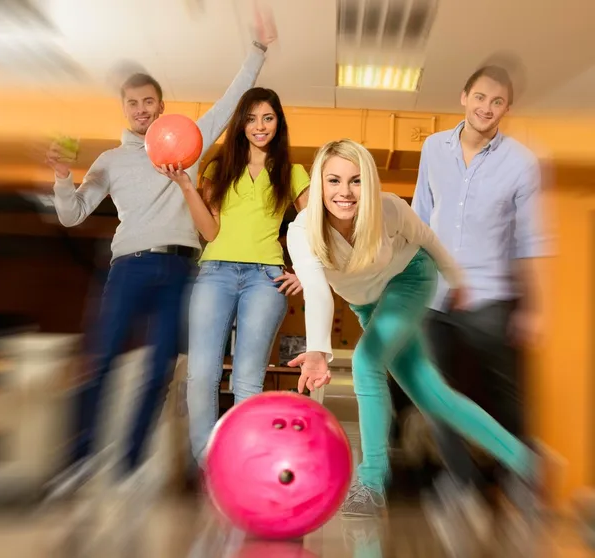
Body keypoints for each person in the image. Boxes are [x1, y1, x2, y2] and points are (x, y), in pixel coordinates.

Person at [44, 9, 278, 497]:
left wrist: (257, 50)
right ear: (124, 108)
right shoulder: (110, 160)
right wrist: (63, 178)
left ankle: (128, 467)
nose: (142, 110)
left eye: (149, 101)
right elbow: (73, 214)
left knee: (158, 371)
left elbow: (232, 99)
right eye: (133, 103)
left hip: (182, 271)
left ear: (160, 105)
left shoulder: (189, 141)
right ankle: (79, 460)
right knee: (102, 360)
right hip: (128, 268)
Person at [285, 139, 541, 520]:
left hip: (410, 280)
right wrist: (318, 351)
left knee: (366, 361)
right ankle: (529, 464)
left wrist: (456, 280)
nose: (345, 192)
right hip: (367, 302)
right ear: (319, 184)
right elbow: (319, 292)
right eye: (334, 180)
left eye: (356, 181)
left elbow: (427, 239)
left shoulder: (388, 208)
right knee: (433, 396)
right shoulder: (302, 231)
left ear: (368, 184)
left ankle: (371, 483)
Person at [411, 65, 549, 548]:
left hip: (491, 295)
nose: (486, 109)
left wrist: (532, 307)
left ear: (506, 109)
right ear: (463, 95)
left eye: (497, 102)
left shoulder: (521, 163)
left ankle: (523, 479)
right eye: (480, 97)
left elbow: (531, 239)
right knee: (434, 394)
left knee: (506, 399)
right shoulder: (433, 148)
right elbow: (421, 220)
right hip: (435, 297)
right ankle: (464, 483)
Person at [158, 87, 309, 474]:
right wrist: (187, 187)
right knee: (201, 375)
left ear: (279, 123)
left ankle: (242, 467)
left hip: (267, 278)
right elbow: (209, 231)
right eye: (251, 118)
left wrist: (308, 272)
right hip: (215, 272)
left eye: (268, 118)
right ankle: (210, 465)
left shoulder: (293, 173)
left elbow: (314, 228)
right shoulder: (217, 168)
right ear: (241, 123)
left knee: (247, 381)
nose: (260, 126)